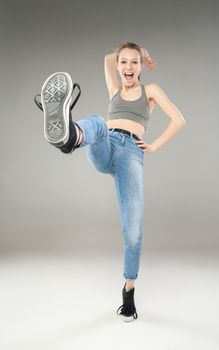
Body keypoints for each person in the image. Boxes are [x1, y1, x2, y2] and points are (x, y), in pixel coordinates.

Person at [34, 42, 186, 322]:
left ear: (141, 67)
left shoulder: (150, 92)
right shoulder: (114, 90)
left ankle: (128, 291)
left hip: (131, 155)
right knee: (97, 121)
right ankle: (70, 137)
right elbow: (106, 56)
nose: (128, 67)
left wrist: (153, 146)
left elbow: (178, 119)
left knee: (133, 232)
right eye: (124, 62)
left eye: (134, 63)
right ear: (118, 66)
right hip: (104, 143)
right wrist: (136, 51)